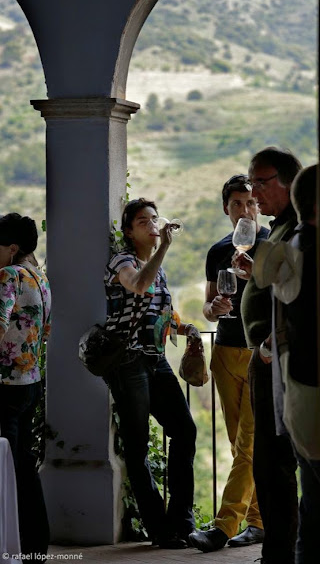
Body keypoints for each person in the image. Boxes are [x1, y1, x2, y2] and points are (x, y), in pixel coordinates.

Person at [104, 198, 198, 549]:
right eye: (143, 221)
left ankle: (181, 522)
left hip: (154, 358)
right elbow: (138, 287)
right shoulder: (122, 261)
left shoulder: (158, 267)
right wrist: (164, 250)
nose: (153, 224)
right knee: (138, 444)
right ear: (129, 231)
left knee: (184, 430)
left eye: (154, 219)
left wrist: (183, 327)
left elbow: (158, 313)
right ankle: (160, 530)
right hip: (127, 360)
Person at [188, 174, 269, 553]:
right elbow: (207, 307)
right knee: (241, 447)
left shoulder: (272, 243)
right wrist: (214, 308)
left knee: (251, 445)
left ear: (259, 205)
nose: (245, 209)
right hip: (224, 353)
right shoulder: (218, 251)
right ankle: (258, 522)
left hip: (260, 354)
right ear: (227, 209)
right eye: (237, 203)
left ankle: (224, 526)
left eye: (250, 202)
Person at [236, 147, 302, 564]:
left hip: (277, 359)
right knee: (266, 462)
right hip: (266, 358)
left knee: (275, 462)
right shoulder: (278, 228)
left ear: (288, 181)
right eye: (251, 181)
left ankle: (281, 553)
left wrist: (267, 346)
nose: (253, 191)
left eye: (261, 182)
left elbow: (299, 295)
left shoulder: (299, 231)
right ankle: (278, 549)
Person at [274, 164, 320, 564]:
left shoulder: (292, 246)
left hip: (297, 384)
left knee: (313, 503)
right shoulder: (314, 253)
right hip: (316, 388)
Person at [0, 213, 51, 563]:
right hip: (30, 382)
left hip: (4, 386)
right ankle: (35, 547)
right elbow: (44, 332)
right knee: (23, 465)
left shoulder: (10, 276)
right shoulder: (40, 278)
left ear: (13, 248)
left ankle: (14, 548)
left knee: (7, 468)